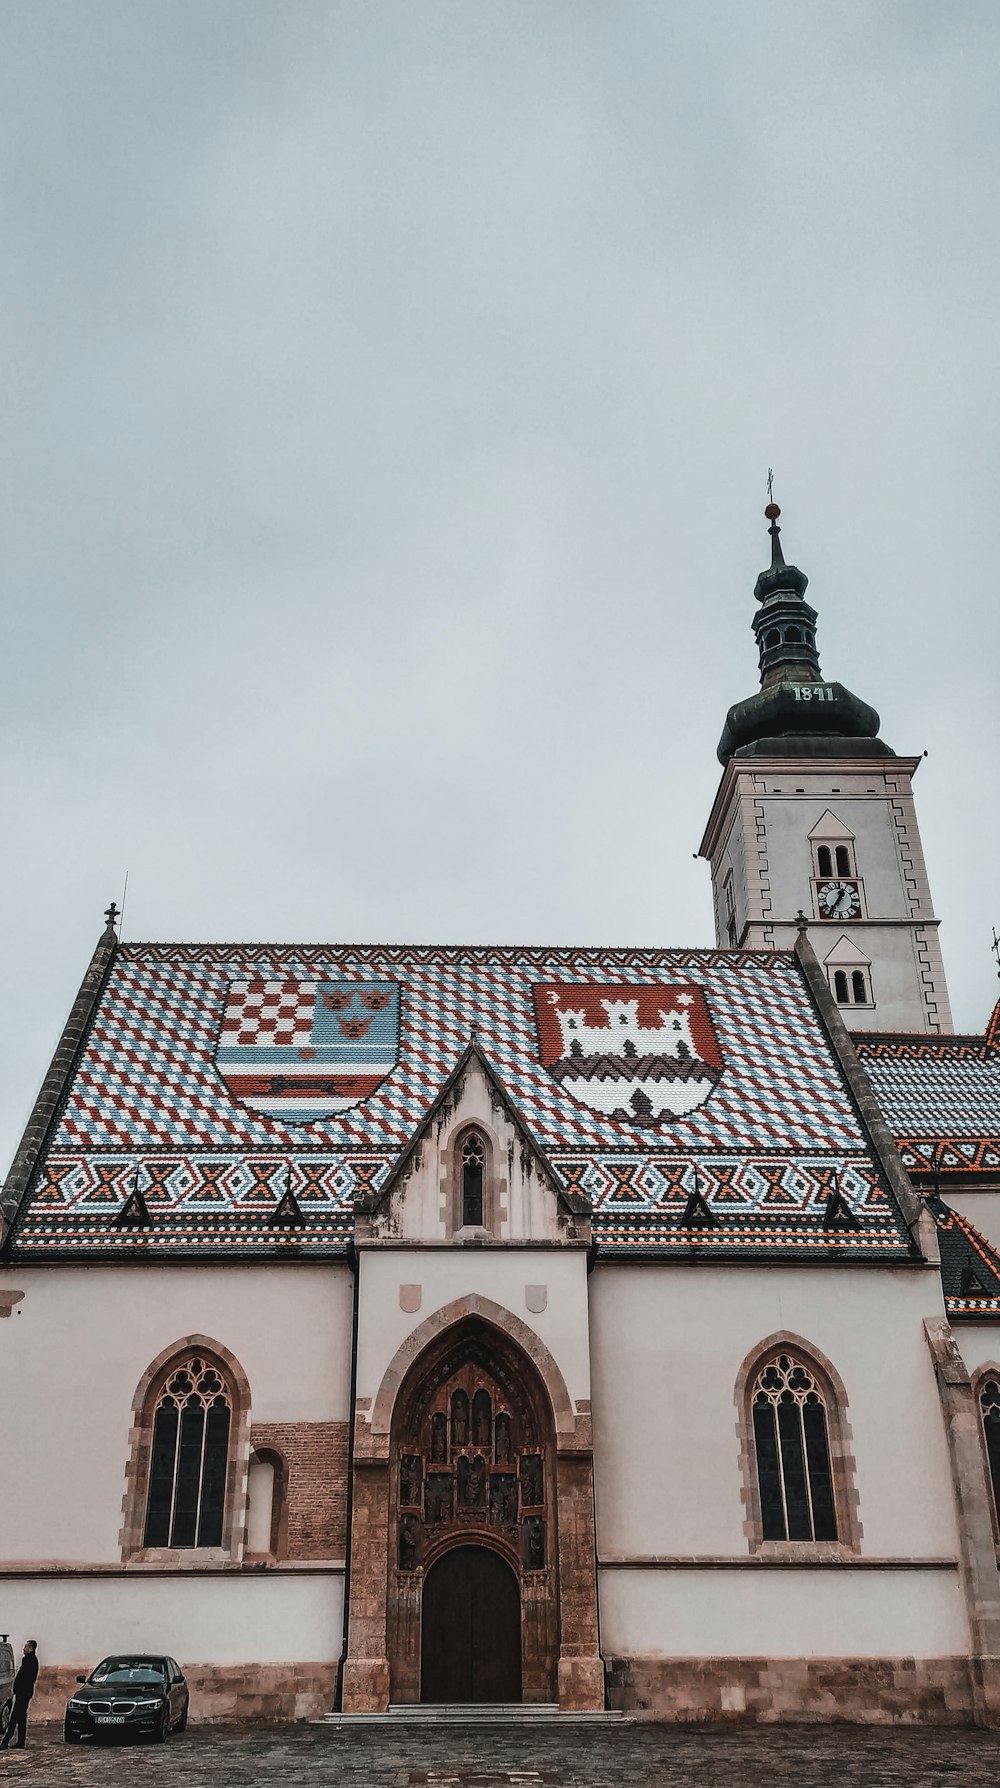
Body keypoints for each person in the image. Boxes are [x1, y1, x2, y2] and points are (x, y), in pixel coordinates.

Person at [0, 1642, 38, 1750]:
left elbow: (24, 1677)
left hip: (23, 1693)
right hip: (25, 1693)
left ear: (30, 1648)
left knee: (14, 1718)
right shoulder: (32, 1660)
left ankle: (5, 1741)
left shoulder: (29, 1660)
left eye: (25, 1647)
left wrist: (18, 1689)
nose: (23, 1649)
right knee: (21, 1718)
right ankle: (21, 1741)